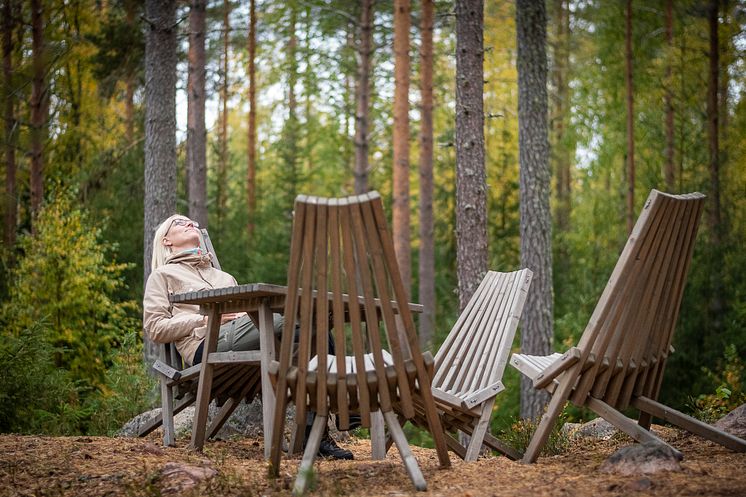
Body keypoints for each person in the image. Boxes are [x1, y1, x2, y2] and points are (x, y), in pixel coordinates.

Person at [143, 214, 353, 460]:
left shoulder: (224, 278)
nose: (190, 223)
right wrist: (205, 319)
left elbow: (246, 319)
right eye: (180, 223)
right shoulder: (163, 275)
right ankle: (346, 405)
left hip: (243, 339)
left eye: (191, 221)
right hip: (205, 346)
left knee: (316, 333)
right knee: (304, 315)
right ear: (166, 240)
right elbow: (155, 327)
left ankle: (313, 435)